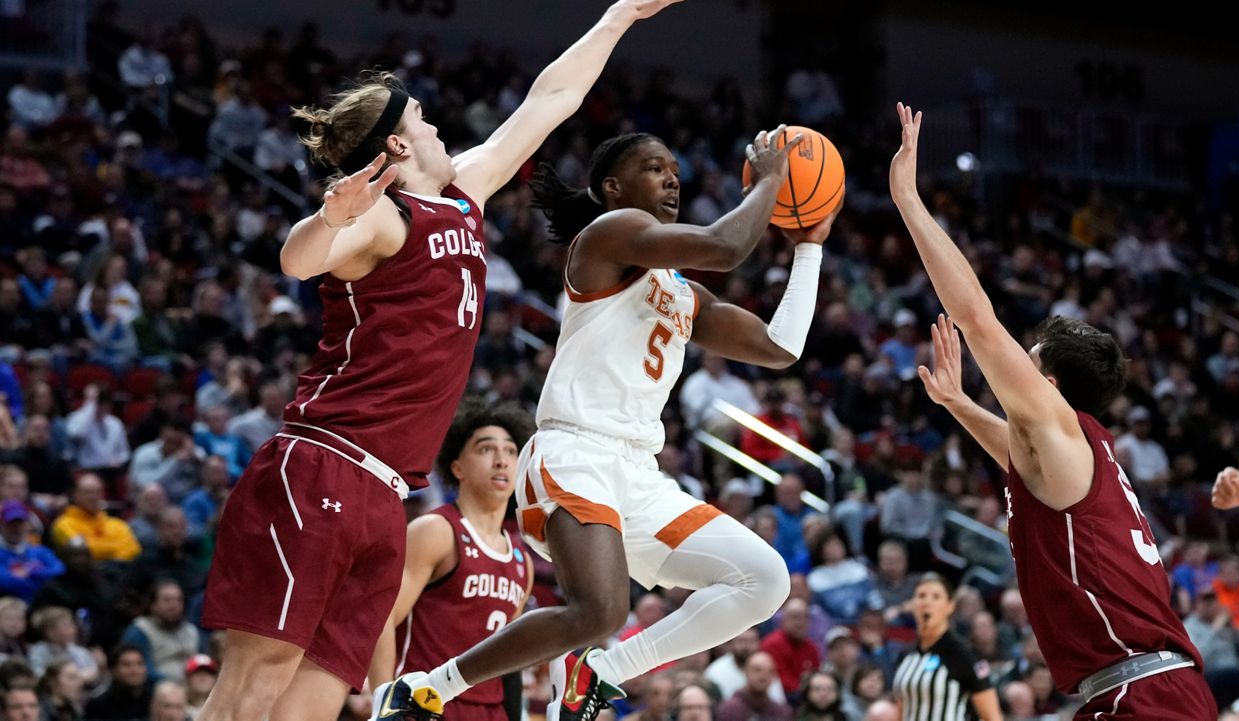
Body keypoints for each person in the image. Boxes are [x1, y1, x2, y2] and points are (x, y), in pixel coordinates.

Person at [196, 2, 685, 720]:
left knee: (317, 699)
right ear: (396, 141)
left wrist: (618, 17)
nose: (434, 122)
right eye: (421, 115)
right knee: (252, 685)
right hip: (324, 462)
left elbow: (550, 98)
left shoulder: (464, 190)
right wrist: (334, 213)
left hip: (389, 493)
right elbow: (297, 259)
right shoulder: (381, 219)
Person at [385, 121, 835, 721]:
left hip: (638, 474)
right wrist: (775, 180)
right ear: (612, 187)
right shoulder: (606, 236)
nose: (671, 176)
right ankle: (426, 688)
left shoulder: (683, 295)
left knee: (765, 579)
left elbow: (781, 347)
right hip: (575, 452)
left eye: (675, 168)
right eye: (654, 167)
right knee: (598, 610)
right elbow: (726, 247)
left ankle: (603, 671)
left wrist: (811, 244)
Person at [892, 102, 1213, 719]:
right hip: (1134, 688)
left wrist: (908, 199)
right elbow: (1020, 459)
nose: (1014, 368)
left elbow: (977, 319)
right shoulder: (1073, 454)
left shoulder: (1062, 427)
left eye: (1028, 357)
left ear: (1050, 382)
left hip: (1142, 692)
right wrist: (959, 404)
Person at [367, 400, 535, 721]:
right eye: (486, 450)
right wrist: (384, 698)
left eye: (511, 452)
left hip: (492, 710)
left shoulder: (520, 558)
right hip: (427, 703)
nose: (501, 461)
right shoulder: (437, 530)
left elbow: (509, 661)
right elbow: (383, 616)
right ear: (457, 467)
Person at [890, 574, 1000, 721]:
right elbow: (901, 710)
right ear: (913, 604)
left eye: (936, 597)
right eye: (921, 596)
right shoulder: (905, 655)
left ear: (950, 606)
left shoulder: (963, 654)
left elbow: (991, 716)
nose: (927, 602)